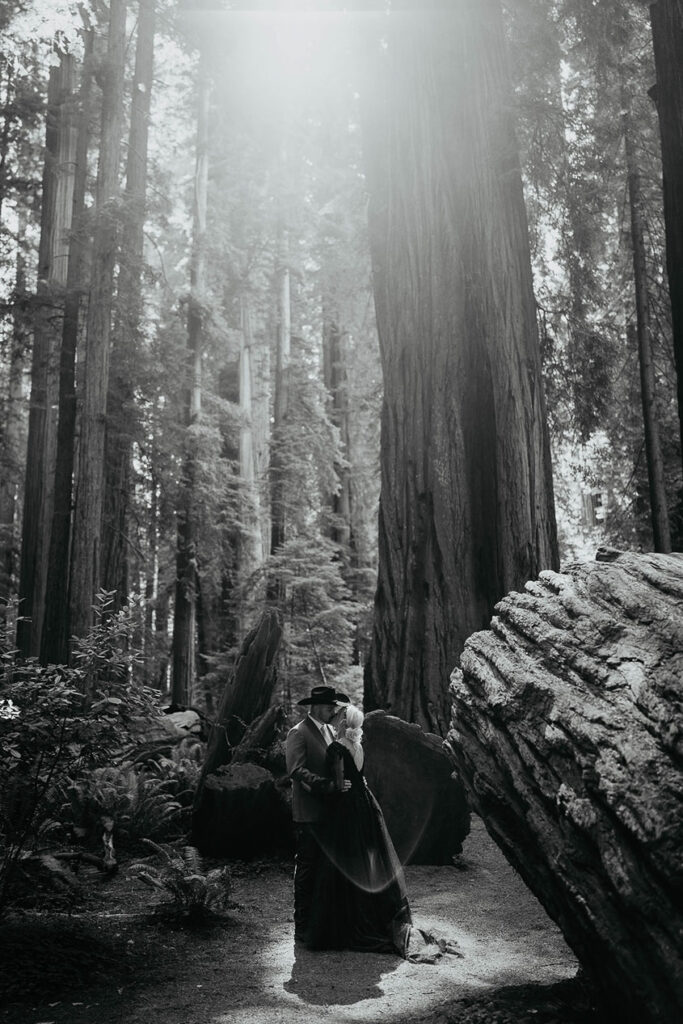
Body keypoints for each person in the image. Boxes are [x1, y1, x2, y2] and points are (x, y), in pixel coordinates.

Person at [306, 703, 462, 963]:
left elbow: (339, 782)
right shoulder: (358, 747)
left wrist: (329, 791)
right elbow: (358, 777)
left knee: (344, 860)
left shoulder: (336, 748)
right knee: (367, 858)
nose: (335, 718)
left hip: (346, 808)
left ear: (345, 722)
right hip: (365, 804)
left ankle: (344, 922)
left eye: (339, 716)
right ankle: (370, 910)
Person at [285, 684, 350, 943]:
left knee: (326, 870)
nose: (332, 710)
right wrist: (328, 786)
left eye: (334, 706)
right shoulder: (298, 733)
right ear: (313, 706)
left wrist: (343, 782)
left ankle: (321, 924)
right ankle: (302, 926)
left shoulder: (331, 732)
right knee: (308, 869)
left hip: (330, 812)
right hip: (309, 813)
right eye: (328, 706)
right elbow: (296, 770)